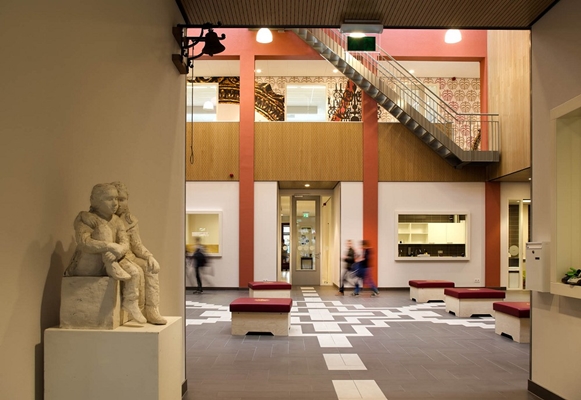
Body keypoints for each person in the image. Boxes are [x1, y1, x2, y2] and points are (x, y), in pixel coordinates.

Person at [65, 183, 146, 324]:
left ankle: (130, 302)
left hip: (110, 259)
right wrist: (110, 246)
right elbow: (84, 242)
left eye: (116, 199)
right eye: (109, 199)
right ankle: (111, 266)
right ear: (96, 201)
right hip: (88, 265)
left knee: (134, 272)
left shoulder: (117, 221)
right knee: (103, 229)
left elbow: (125, 243)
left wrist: (117, 252)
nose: (115, 203)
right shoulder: (87, 218)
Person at [111, 181, 167, 324]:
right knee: (137, 271)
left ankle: (152, 310)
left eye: (122, 199)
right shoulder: (105, 220)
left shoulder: (130, 220)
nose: (119, 203)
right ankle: (135, 305)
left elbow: (136, 245)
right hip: (116, 257)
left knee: (150, 267)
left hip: (129, 256)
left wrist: (149, 256)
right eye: (116, 199)